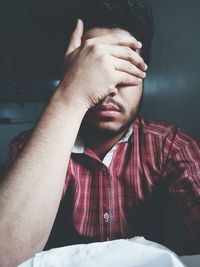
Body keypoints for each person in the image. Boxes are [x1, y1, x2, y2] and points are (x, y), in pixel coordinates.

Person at [0, 0, 199, 266]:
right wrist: (71, 95)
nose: (108, 89)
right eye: (95, 70)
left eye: (124, 68)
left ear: (143, 76)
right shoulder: (26, 147)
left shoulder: (170, 145)